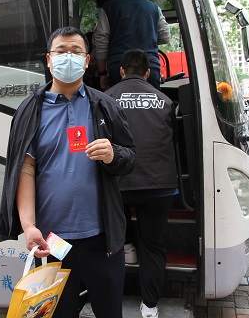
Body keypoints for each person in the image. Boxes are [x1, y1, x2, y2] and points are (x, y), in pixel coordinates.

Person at [0, 26, 136, 318]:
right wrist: (28, 226)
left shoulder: (104, 105)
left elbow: (130, 158)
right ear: (49, 60)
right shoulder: (30, 110)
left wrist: (113, 154)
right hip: (52, 242)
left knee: (110, 312)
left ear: (87, 61)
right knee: (59, 313)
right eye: (61, 51)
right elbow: (25, 170)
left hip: (102, 238)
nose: (68, 57)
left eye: (76, 52)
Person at [105, 50, 179, 318]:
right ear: (148, 73)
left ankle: (126, 247)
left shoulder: (107, 98)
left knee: (112, 235)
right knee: (153, 245)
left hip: (121, 181)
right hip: (160, 184)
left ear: (121, 71)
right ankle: (149, 307)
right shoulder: (165, 100)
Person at [93, 0, 170, 90]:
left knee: (119, 102)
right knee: (150, 102)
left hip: (120, 68)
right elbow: (165, 37)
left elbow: (101, 42)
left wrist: (102, 73)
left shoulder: (108, 8)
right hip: (149, 68)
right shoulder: (154, 8)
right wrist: (147, 39)